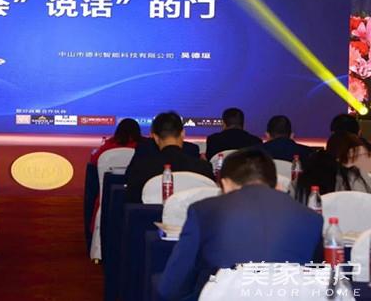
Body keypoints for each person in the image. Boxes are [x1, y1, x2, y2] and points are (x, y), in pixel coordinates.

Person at [157, 148, 323, 301]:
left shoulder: (203, 211)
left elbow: (171, 287)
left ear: (225, 183)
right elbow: (319, 284)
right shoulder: (310, 218)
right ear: (277, 185)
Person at [125, 112, 213, 203]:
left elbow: (132, 201)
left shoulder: (140, 169)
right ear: (183, 134)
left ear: (155, 137)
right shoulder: (203, 168)